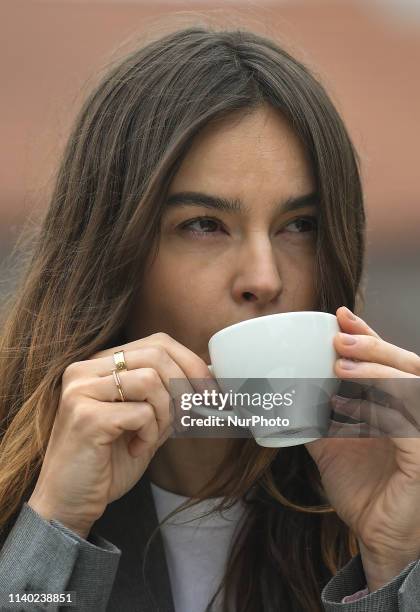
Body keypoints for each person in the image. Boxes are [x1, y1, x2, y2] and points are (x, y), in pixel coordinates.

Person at [0, 24, 419, 612]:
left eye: (299, 225)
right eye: (204, 225)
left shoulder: (395, 483)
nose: (264, 278)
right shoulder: (27, 493)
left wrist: (395, 563)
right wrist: (56, 525)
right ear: (114, 253)